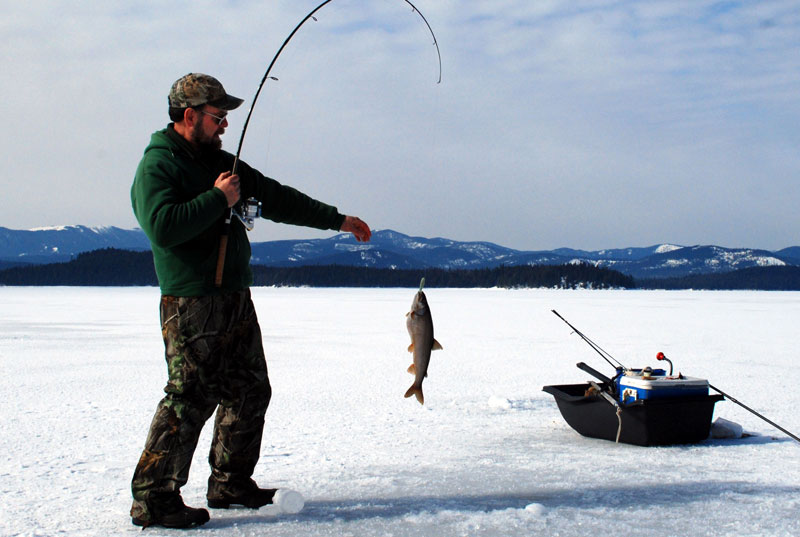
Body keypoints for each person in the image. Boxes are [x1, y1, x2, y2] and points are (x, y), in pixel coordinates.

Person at [129, 73, 371, 529]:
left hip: (234, 297)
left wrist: (336, 220)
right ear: (189, 116)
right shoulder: (158, 165)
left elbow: (276, 197)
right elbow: (162, 227)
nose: (224, 125)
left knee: (250, 388)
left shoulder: (223, 160)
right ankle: (153, 497)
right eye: (217, 116)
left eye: (225, 117)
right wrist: (217, 199)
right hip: (193, 301)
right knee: (189, 397)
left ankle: (230, 482)